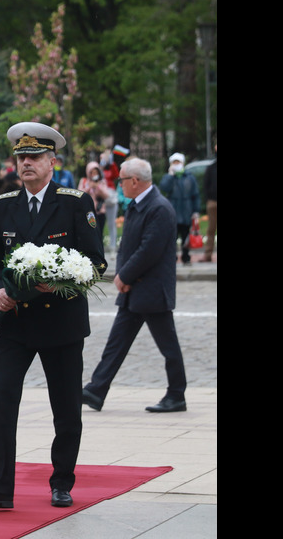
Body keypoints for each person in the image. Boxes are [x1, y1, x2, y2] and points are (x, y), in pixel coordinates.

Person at [0, 122, 107, 510]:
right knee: (2, 398)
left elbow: (95, 264)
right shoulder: (4, 203)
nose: (26, 163)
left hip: (60, 322)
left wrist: (58, 284)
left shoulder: (75, 202)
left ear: (52, 161)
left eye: (34, 157)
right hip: (14, 324)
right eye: (21, 158)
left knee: (65, 407)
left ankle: (61, 481)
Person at [82, 157, 187, 414]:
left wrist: (124, 276)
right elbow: (130, 246)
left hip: (152, 291)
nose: (120, 185)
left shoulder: (159, 208)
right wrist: (124, 276)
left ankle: (176, 395)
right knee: (116, 343)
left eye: (122, 180)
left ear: (135, 181)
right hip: (135, 291)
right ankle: (96, 390)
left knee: (168, 345)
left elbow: (148, 250)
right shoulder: (139, 204)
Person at [158, 153, 201, 265]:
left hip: (186, 210)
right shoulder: (169, 177)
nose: (176, 165)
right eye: (174, 162)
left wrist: (196, 211)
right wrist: (170, 175)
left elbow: (195, 195)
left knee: (186, 235)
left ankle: (186, 256)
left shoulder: (189, 177)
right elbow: (164, 188)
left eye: (178, 162)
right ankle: (173, 257)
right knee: (172, 236)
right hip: (173, 210)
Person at [78, 162, 113, 242]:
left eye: (96, 172)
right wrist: (89, 187)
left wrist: (98, 188)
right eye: (92, 172)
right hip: (88, 212)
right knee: (88, 233)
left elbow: (106, 195)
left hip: (99, 211)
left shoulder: (102, 182)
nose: (94, 174)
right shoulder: (84, 181)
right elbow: (79, 194)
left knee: (99, 233)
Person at [199, 144, 217, 262]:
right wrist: (208, 198)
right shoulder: (211, 168)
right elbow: (205, 185)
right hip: (213, 201)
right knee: (211, 229)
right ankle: (208, 254)